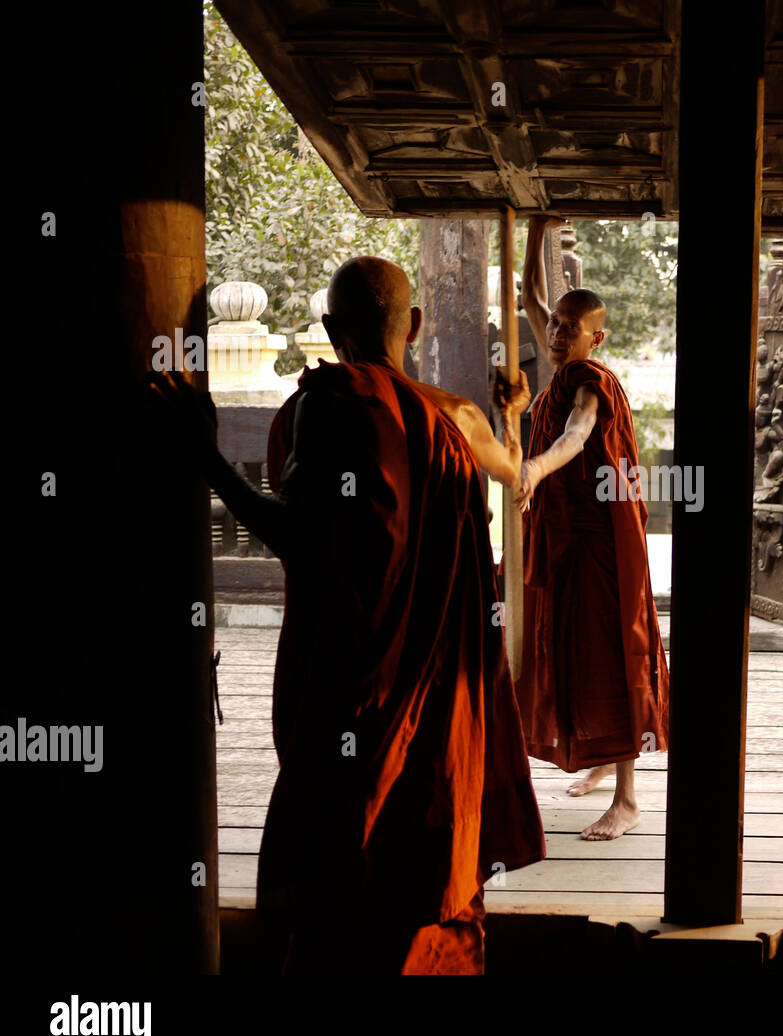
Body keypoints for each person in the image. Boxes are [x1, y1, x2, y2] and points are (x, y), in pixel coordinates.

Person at [148, 256, 545, 973]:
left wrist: (206, 458)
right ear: (414, 323)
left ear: (331, 330)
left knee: (344, 904)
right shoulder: (453, 416)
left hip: (352, 707)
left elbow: (298, 535)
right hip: (440, 712)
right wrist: (511, 413)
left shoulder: (328, 405)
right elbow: (517, 473)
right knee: (429, 889)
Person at [514, 215, 669, 841]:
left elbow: (578, 435)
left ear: (594, 339)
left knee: (612, 649)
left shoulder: (588, 380)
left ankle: (628, 797)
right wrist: (534, 230)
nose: (554, 332)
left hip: (603, 542)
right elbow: (529, 294)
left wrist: (535, 466)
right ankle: (602, 757)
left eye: (569, 328)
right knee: (572, 645)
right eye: (554, 324)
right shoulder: (557, 354)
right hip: (566, 538)